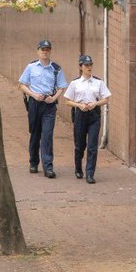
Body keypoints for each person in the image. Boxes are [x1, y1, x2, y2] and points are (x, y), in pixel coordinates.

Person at [18, 39, 68, 179]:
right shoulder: (31, 67)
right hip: (34, 103)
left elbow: (62, 87)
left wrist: (54, 97)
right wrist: (33, 94)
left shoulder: (56, 69)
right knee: (35, 134)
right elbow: (22, 84)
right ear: (38, 51)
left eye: (47, 50)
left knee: (47, 135)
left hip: (49, 105)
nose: (45, 52)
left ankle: (48, 166)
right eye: (42, 49)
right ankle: (33, 162)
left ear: (50, 51)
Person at [64, 54, 110, 183]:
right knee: (80, 145)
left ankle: (90, 173)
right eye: (86, 65)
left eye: (90, 65)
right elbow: (67, 101)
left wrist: (95, 103)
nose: (89, 67)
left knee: (92, 146)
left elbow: (106, 99)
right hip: (80, 114)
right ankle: (78, 168)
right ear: (81, 67)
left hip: (94, 114)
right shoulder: (75, 83)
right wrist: (79, 105)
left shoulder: (98, 82)